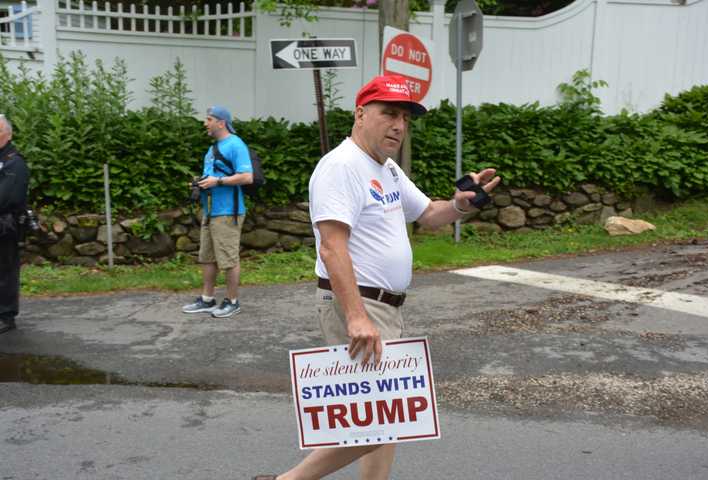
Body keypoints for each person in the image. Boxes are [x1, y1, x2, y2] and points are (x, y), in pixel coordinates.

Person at [252, 75, 501, 480]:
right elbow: (331, 246)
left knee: (387, 419)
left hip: (386, 307)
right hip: (360, 305)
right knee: (378, 419)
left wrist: (461, 204)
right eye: (389, 113)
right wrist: (355, 316)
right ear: (360, 113)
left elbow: (429, 215)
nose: (399, 125)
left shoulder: (386, 170)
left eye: (404, 117)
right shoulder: (341, 166)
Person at [182, 106, 254, 318]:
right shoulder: (213, 148)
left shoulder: (236, 144)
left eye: (209, 119)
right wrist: (200, 183)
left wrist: (218, 181)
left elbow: (247, 177)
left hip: (228, 212)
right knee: (208, 257)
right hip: (211, 211)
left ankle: (232, 301)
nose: (205, 123)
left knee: (229, 259)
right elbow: (213, 177)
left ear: (221, 122)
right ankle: (207, 299)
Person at [0, 114, 30, 335]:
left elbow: (8, 196)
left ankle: (6, 316)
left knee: (5, 270)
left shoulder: (14, 161)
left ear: (7, 134)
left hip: (6, 224)